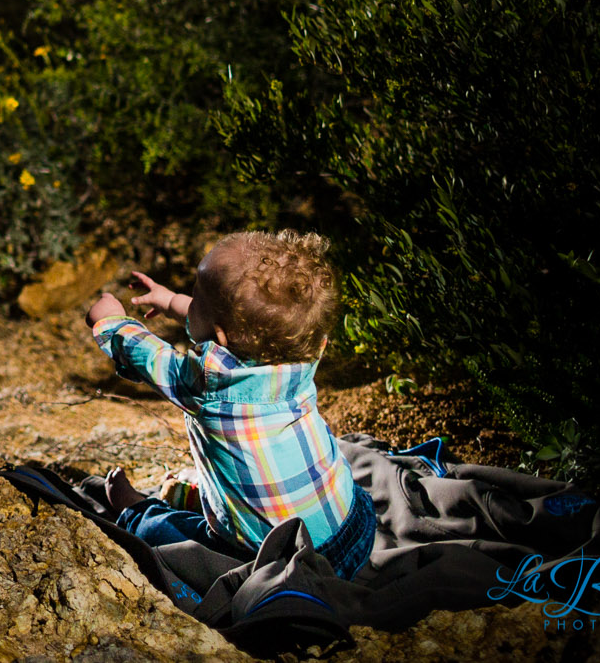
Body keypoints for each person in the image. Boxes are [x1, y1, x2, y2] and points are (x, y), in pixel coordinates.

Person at [82, 230, 378, 581]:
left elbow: (144, 355)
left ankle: (134, 510)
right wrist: (171, 300)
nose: (188, 302)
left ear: (220, 336)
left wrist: (110, 321)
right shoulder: (305, 350)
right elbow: (228, 331)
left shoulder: (207, 385)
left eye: (194, 297)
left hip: (275, 560)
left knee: (168, 538)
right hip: (355, 528)